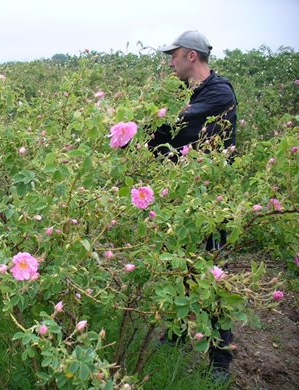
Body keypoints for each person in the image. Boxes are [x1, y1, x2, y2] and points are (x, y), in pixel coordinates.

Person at [152, 31, 237, 382]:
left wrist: (141, 130)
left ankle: (220, 362)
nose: (169, 62)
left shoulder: (219, 92)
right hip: (184, 198)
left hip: (210, 202)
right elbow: (165, 137)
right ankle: (175, 335)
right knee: (178, 270)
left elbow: (176, 126)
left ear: (191, 56)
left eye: (173, 55)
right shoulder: (190, 92)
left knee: (211, 278)